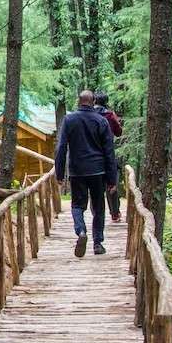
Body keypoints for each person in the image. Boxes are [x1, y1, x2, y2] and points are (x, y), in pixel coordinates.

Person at [54, 89, 119, 257]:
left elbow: (61, 147)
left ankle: (81, 231)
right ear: (93, 101)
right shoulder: (101, 121)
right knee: (98, 207)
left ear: (79, 101)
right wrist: (112, 179)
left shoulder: (69, 120)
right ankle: (97, 243)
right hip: (98, 171)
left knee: (77, 205)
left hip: (77, 171)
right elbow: (109, 152)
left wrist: (60, 173)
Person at [95, 92, 123, 223]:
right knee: (111, 184)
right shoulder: (110, 115)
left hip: (92, 156)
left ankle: (96, 214)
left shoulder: (89, 115)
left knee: (94, 187)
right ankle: (115, 213)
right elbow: (118, 132)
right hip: (108, 154)